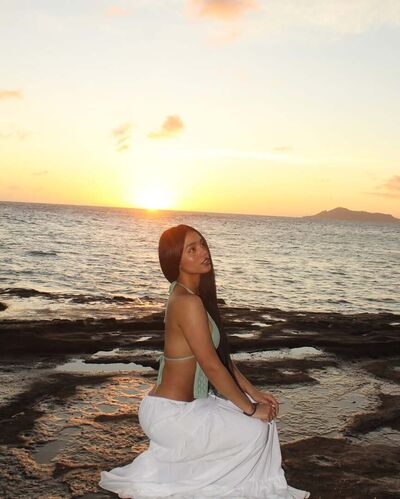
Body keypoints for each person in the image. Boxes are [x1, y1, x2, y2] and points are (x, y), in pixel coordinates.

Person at [99, 224, 310, 498]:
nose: (203, 252)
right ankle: (203, 484)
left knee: (263, 423)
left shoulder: (192, 296)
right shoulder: (186, 301)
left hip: (192, 405)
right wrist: (250, 409)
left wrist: (255, 394)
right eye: (192, 249)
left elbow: (222, 360)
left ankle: (204, 478)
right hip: (170, 415)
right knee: (255, 430)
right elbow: (211, 366)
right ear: (176, 261)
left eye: (202, 244)